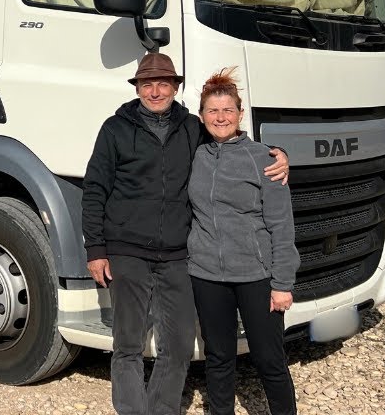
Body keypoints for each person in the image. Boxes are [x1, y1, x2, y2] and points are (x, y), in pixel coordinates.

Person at [82, 52, 288, 415]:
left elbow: (230, 141)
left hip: (178, 254)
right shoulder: (114, 129)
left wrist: (279, 154)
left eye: (164, 84)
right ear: (138, 89)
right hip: (127, 251)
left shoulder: (192, 127)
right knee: (128, 343)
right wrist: (96, 249)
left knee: (177, 346)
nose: (156, 91)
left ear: (176, 88)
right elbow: (95, 188)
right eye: (148, 84)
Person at [188, 67, 299, 415]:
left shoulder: (265, 158)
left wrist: (282, 283)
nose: (220, 117)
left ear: (240, 114)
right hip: (206, 274)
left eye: (227, 111)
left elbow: (282, 225)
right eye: (212, 111)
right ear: (202, 115)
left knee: (269, 359)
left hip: (256, 275)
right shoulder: (194, 154)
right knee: (219, 358)